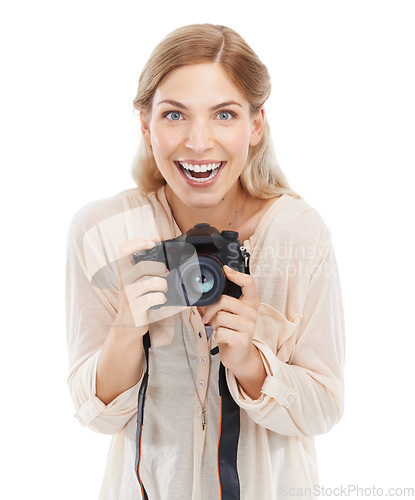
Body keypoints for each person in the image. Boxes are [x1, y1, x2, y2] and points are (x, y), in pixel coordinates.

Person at [66, 23, 345, 500]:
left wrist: (250, 362)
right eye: (174, 115)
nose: (198, 142)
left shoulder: (299, 233)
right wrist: (126, 331)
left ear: (256, 126)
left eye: (224, 115)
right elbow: (94, 414)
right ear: (145, 124)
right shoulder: (104, 232)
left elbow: (324, 409)